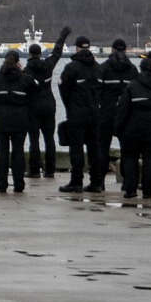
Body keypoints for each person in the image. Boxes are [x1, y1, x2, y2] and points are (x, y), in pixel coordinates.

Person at [114, 55, 151, 201]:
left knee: (130, 158)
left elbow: (123, 110)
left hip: (133, 129)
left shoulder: (132, 86)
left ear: (140, 69)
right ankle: (148, 192)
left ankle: (131, 190)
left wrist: (117, 129)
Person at [0, 51, 36, 193]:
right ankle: (19, 184)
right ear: (18, 63)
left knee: (2, 152)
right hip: (20, 120)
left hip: (1, 120)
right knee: (18, 151)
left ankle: (1, 184)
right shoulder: (26, 79)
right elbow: (34, 98)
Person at [89, 38, 137, 192]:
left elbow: (95, 91)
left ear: (113, 50)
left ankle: (99, 182)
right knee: (128, 150)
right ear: (125, 50)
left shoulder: (104, 68)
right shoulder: (133, 69)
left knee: (102, 147)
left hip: (107, 111)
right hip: (126, 114)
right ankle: (127, 182)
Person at [56, 36, 102, 192]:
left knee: (76, 148)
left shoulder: (71, 67)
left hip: (77, 113)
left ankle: (76, 181)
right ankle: (96, 182)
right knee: (94, 148)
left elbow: (63, 89)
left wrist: (70, 106)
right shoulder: (98, 68)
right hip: (95, 112)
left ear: (76, 48)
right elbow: (103, 91)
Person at [25, 28, 69, 178]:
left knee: (34, 140)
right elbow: (57, 52)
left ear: (29, 54)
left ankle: (34, 170)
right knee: (49, 139)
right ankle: (50, 170)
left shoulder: (25, 72)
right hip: (49, 105)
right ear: (40, 54)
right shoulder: (48, 65)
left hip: (33, 108)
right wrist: (62, 36)